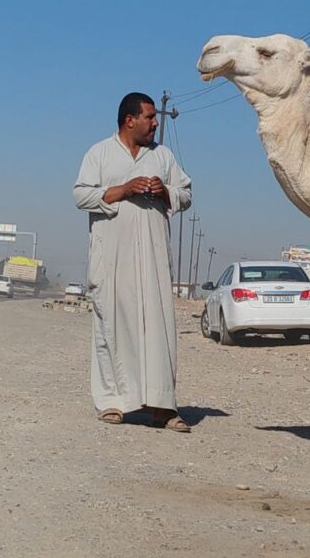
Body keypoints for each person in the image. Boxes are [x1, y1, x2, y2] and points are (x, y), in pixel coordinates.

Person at [73, 92, 193, 432]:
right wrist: (123, 189)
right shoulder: (99, 153)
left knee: (158, 327)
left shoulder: (164, 156)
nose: (156, 123)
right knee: (111, 323)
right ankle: (112, 402)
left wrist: (165, 191)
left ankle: (162, 408)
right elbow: (81, 195)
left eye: (155, 117)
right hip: (111, 256)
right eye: (150, 117)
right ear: (130, 120)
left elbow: (185, 193)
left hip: (152, 257)